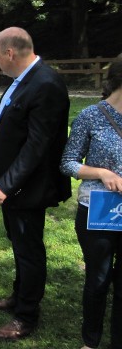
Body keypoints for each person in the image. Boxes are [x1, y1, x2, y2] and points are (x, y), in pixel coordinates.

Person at [0, 26, 71, 340]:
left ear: (9, 53)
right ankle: (20, 297)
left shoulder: (45, 84)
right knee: (20, 246)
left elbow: (37, 146)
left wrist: (5, 185)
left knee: (29, 250)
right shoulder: (23, 82)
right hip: (13, 188)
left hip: (28, 189)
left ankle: (26, 316)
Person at [60, 59, 122, 349]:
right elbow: (68, 162)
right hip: (98, 211)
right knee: (98, 279)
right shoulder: (91, 116)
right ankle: (91, 342)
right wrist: (101, 173)